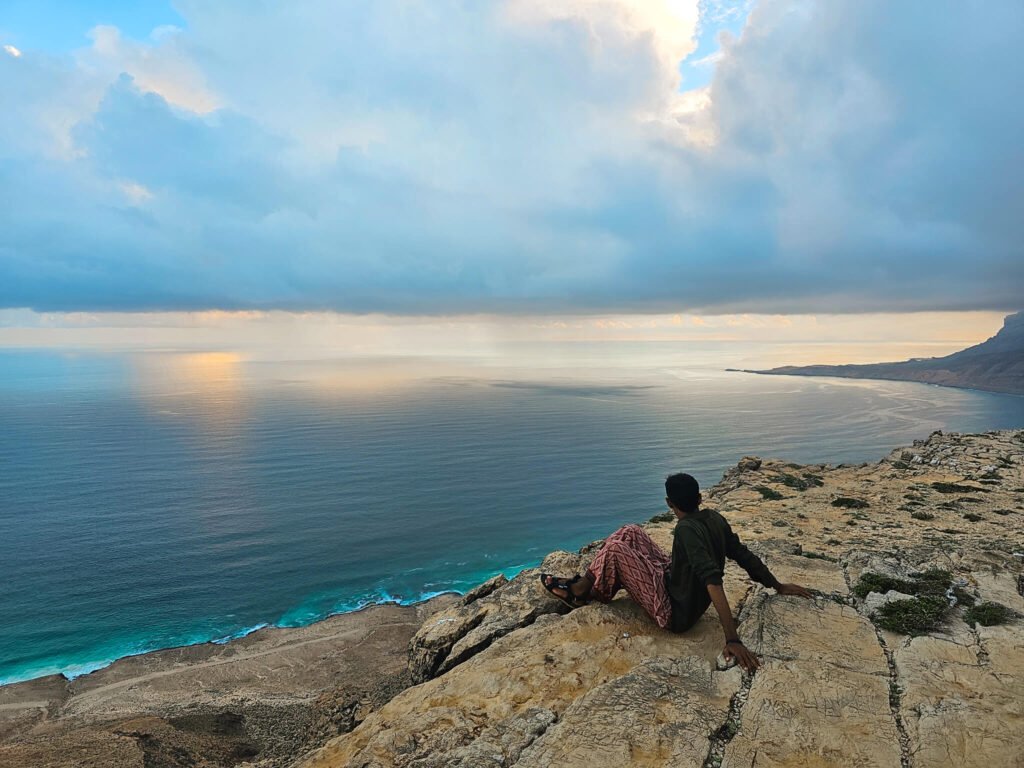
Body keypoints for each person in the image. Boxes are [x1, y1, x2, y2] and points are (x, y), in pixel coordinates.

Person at [540, 472, 812, 671]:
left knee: (615, 551)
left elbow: (712, 581)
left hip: (674, 612)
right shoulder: (715, 518)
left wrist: (732, 638)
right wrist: (776, 585)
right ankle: (588, 586)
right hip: (675, 584)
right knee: (630, 531)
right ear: (700, 498)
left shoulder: (685, 530)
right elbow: (742, 555)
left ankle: (580, 592)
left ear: (670, 503)